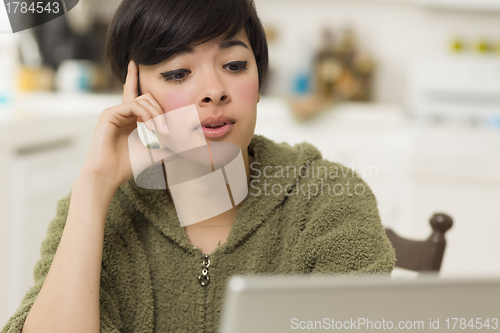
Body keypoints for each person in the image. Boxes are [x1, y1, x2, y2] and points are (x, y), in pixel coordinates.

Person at [2, 0, 395, 332]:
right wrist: (95, 184)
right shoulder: (101, 212)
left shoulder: (328, 201)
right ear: (135, 94)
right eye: (178, 73)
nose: (214, 91)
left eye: (235, 65)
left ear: (259, 82)